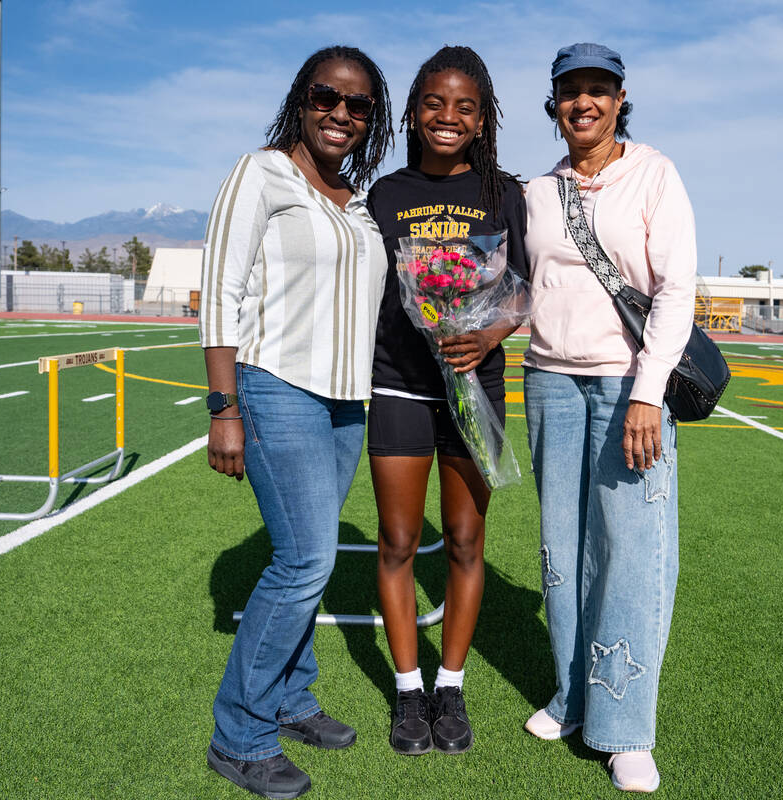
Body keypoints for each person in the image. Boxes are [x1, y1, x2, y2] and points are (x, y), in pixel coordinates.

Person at [198, 45, 392, 799]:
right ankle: (240, 737)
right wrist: (224, 409)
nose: (341, 114)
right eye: (326, 97)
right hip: (275, 386)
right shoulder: (261, 173)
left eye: (359, 106)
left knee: (310, 560)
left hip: (348, 402)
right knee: (305, 560)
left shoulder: (359, 198)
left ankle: (290, 697)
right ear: (301, 100)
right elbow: (220, 292)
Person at [520, 43, 696, 794]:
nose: (583, 103)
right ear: (554, 103)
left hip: (629, 388)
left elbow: (676, 289)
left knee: (633, 550)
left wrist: (648, 393)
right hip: (549, 384)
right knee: (563, 549)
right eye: (570, 91)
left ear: (621, 100)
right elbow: (525, 286)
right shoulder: (536, 190)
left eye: (599, 90)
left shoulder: (654, 173)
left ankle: (625, 726)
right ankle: (572, 696)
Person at [364, 45, 528, 756]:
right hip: (398, 381)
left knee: (464, 542)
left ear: (483, 119)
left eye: (465, 106)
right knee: (399, 541)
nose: (447, 117)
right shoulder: (386, 193)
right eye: (434, 102)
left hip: (475, 386)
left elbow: (524, 285)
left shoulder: (506, 193)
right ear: (412, 109)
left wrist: (490, 332)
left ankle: (451, 684)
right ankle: (408, 693)